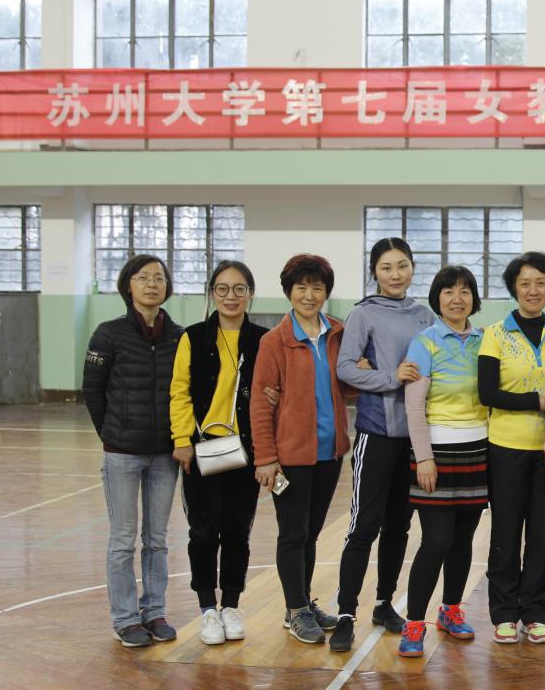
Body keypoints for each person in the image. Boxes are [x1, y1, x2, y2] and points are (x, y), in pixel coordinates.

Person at [329, 238, 435, 652]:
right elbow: (345, 368)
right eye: (387, 267)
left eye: (402, 265)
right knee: (363, 528)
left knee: (398, 527)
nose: (395, 274)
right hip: (376, 435)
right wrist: (392, 377)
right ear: (374, 271)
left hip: (414, 439)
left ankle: (383, 603)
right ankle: (345, 614)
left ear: (413, 268)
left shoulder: (425, 314)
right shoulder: (363, 313)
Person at [83, 255, 183, 648]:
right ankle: (125, 619)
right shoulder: (108, 334)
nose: (152, 284)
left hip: (165, 456)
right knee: (123, 540)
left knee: (157, 539)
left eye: (159, 278)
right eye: (143, 278)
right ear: (129, 285)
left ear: (167, 287)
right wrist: (111, 433)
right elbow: (93, 390)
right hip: (121, 454)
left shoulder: (178, 336)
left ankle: (154, 611)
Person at [251, 254, 350, 645]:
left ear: (326, 292)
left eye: (317, 287)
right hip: (290, 458)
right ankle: (295, 612)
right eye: (301, 287)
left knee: (310, 534)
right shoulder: (273, 341)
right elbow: (261, 404)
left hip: (330, 453)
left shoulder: (337, 333)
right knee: (293, 534)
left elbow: (348, 384)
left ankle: (304, 603)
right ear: (289, 292)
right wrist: (266, 458)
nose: (309, 295)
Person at [169, 261, 269, 645]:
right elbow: (179, 391)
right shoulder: (192, 337)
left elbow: (272, 393)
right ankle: (207, 609)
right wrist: (182, 440)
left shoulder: (262, 340)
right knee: (203, 530)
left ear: (250, 294)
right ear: (212, 293)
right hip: (202, 448)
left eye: (239, 289)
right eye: (223, 289)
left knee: (238, 530)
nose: (231, 296)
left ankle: (231, 605)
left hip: (246, 450)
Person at [397, 265, 490, 657]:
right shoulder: (425, 342)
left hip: (478, 452)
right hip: (436, 455)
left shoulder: (486, 341)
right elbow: (414, 406)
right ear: (437, 298)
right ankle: (414, 624)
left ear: (474, 298)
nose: (457, 298)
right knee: (436, 541)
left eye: (465, 291)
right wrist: (424, 458)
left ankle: (451, 610)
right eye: (449, 291)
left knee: (463, 541)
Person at [478, 252, 545, 644]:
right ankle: (503, 614)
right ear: (514, 288)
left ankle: (534, 612)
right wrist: (538, 402)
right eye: (525, 283)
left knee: (543, 535)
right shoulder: (495, 334)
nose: (533, 290)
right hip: (505, 447)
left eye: (541, 283)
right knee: (506, 531)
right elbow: (487, 393)